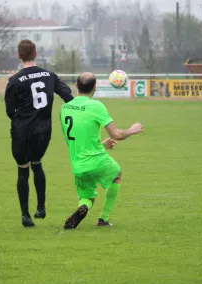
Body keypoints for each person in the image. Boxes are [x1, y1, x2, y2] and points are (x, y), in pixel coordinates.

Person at [60, 72, 144, 230]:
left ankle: (83, 207)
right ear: (94, 88)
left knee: (87, 197)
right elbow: (117, 135)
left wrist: (103, 145)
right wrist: (132, 130)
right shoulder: (96, 106)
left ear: (77, 86)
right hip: (96, 161)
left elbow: (80, 138)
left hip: (78, 165)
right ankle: (103, 219)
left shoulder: (64, 109)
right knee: (116, 175)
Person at [5, 40, 73, 227]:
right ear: (35, 53)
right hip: (43, 131)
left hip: (21, 131)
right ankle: (41, 207)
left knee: (22, 170)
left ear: (19, 56)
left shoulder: (15, 80)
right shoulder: (50, 76)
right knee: (37, 164)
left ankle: (25, 215)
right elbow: (68, 96)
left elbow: (10, 112)